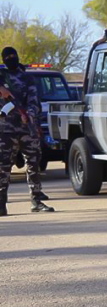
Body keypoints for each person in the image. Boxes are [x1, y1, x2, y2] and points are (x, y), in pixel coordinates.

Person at [0, 47, 54, 216]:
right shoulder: (1, 76)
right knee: (3, 167)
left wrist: (28, 114)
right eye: (7, 57)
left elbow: (33, 101)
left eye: (13, 55)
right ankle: (1, 204)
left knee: (33, 165)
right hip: (6, 130)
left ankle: (36, 201)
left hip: (26, 128)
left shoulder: (27, 77)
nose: (11, 58)